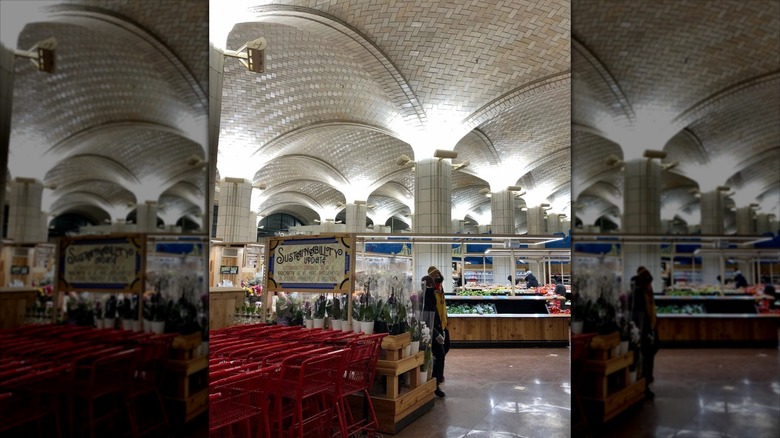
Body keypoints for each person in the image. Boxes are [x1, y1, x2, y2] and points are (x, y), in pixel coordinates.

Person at [630, 266, 658, 399]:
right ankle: (644, 384)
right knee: (645, 358)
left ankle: (646, 381)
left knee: (648, 355)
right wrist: (647, 331)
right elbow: (641, 314)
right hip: (643, 330)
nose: (650, 285)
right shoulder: (640, 292)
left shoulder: (645, 290)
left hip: (647, 329)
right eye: (649, 283)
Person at [423, 266, 449, 397]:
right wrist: (435, 332)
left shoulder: (440, 290)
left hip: (440, 325)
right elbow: (428, 314)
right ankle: (435, 382)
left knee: (444, 350)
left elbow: (441, 309)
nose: (437, 284)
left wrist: (444, 324)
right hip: (432, 328)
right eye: (435, 278)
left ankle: (436, 377)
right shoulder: (429, 293)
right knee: (440, 354)